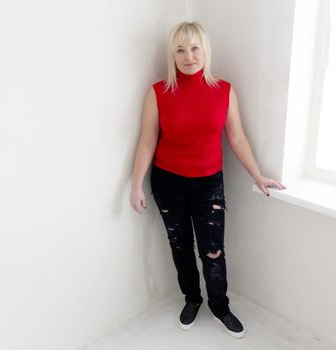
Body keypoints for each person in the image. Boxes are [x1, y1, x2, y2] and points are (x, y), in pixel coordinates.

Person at [129, 21, 286, 339]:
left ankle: (220, 306)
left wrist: (258, 176)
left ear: (205, 50)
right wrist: (135, 185)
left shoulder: (224, 91)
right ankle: (192, 300)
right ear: (173, 55)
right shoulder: (158, 92)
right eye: (181, 50)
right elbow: (147, 141)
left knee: (213, 250)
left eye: (195, 48)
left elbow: (237, 138)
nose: (189, 56)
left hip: (208, 183)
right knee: (180, 247)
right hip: (167, 182)